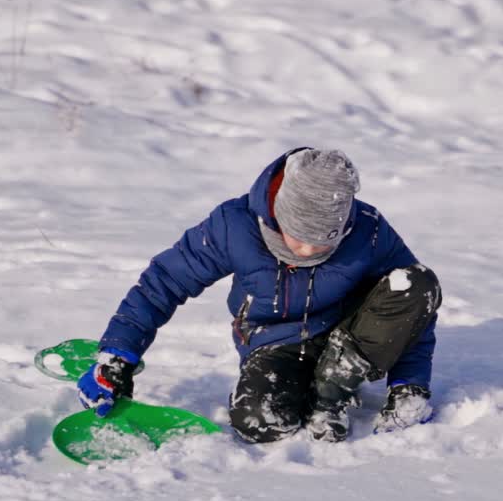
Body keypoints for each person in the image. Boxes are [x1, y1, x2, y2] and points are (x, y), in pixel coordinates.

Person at [77, 147, 442, 442]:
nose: (306, 252)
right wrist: (119, 356)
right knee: (260, 422)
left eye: (322, 242)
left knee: (416, 282)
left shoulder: (369, 230)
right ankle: (313, 386)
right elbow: (164, 282)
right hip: (276, 342)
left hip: (350, 333)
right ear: (281, 213)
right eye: (298, 237)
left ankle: (333, 387)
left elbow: (413, 310)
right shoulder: (233, 226)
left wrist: (409, 383)